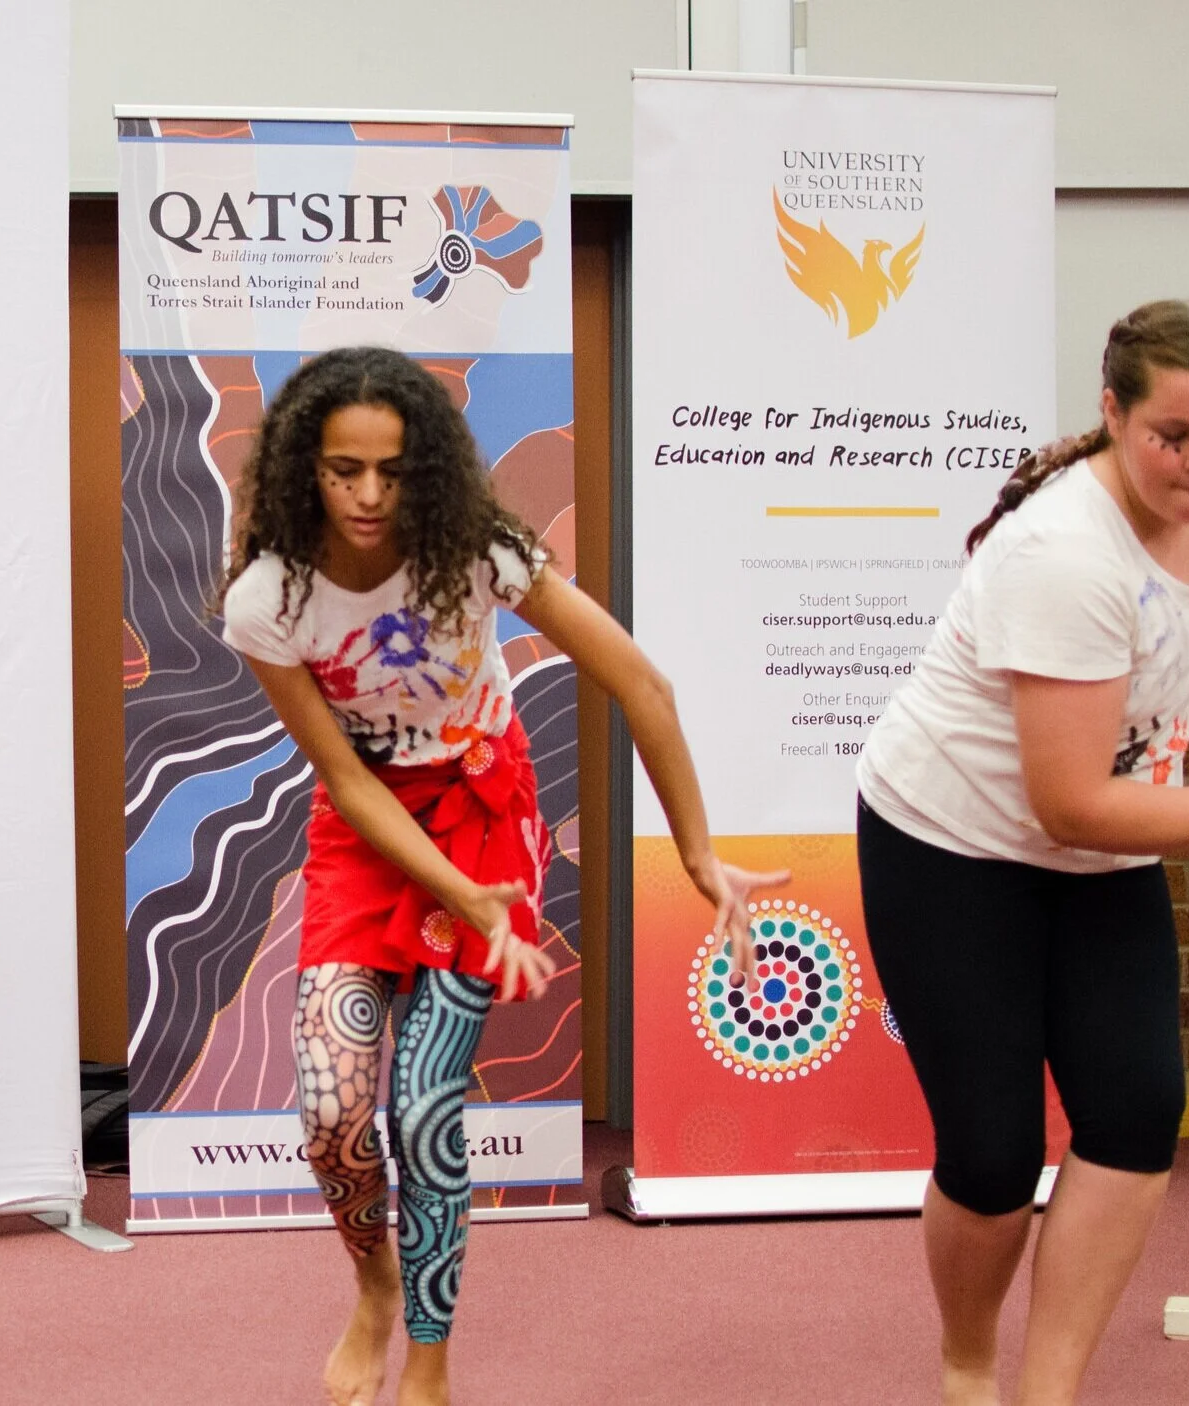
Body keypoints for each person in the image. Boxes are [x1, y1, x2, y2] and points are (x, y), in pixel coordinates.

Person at [218, 346, 781, 1406]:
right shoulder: (267, 598)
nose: (370, 495)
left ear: (426, 468)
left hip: (483, 815)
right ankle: (374, 1284)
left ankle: (428, 1360)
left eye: (392, 470)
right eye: (344, 470)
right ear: (304, 467)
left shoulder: (477, 549)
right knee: (334, 1112)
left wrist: (698, 849)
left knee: (424, 1104)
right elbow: (341, 772)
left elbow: (638, 681)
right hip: (367, 826)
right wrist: (449, 891)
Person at [854, 299, 1189, 1406]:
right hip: (952, 845)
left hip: (1096, 848)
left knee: (1137, 1113)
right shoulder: (1059, 553)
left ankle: (1046, 1393)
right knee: (993, 1159)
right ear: (1110, 413)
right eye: (1171, 436)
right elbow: (1066, 805)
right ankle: (966, 1364)